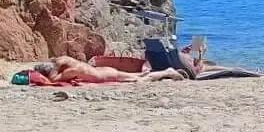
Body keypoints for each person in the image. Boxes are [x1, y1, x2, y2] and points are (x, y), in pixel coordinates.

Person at [30, 57, 187, 84]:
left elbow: (53, 81)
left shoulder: (69, 71)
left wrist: (49, 74)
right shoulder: (68, 61)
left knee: (140, 80)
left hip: (104, 76)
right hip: (104, 70)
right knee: (140, 74)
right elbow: (59, 60)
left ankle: (168, 72)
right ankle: (167, 73)